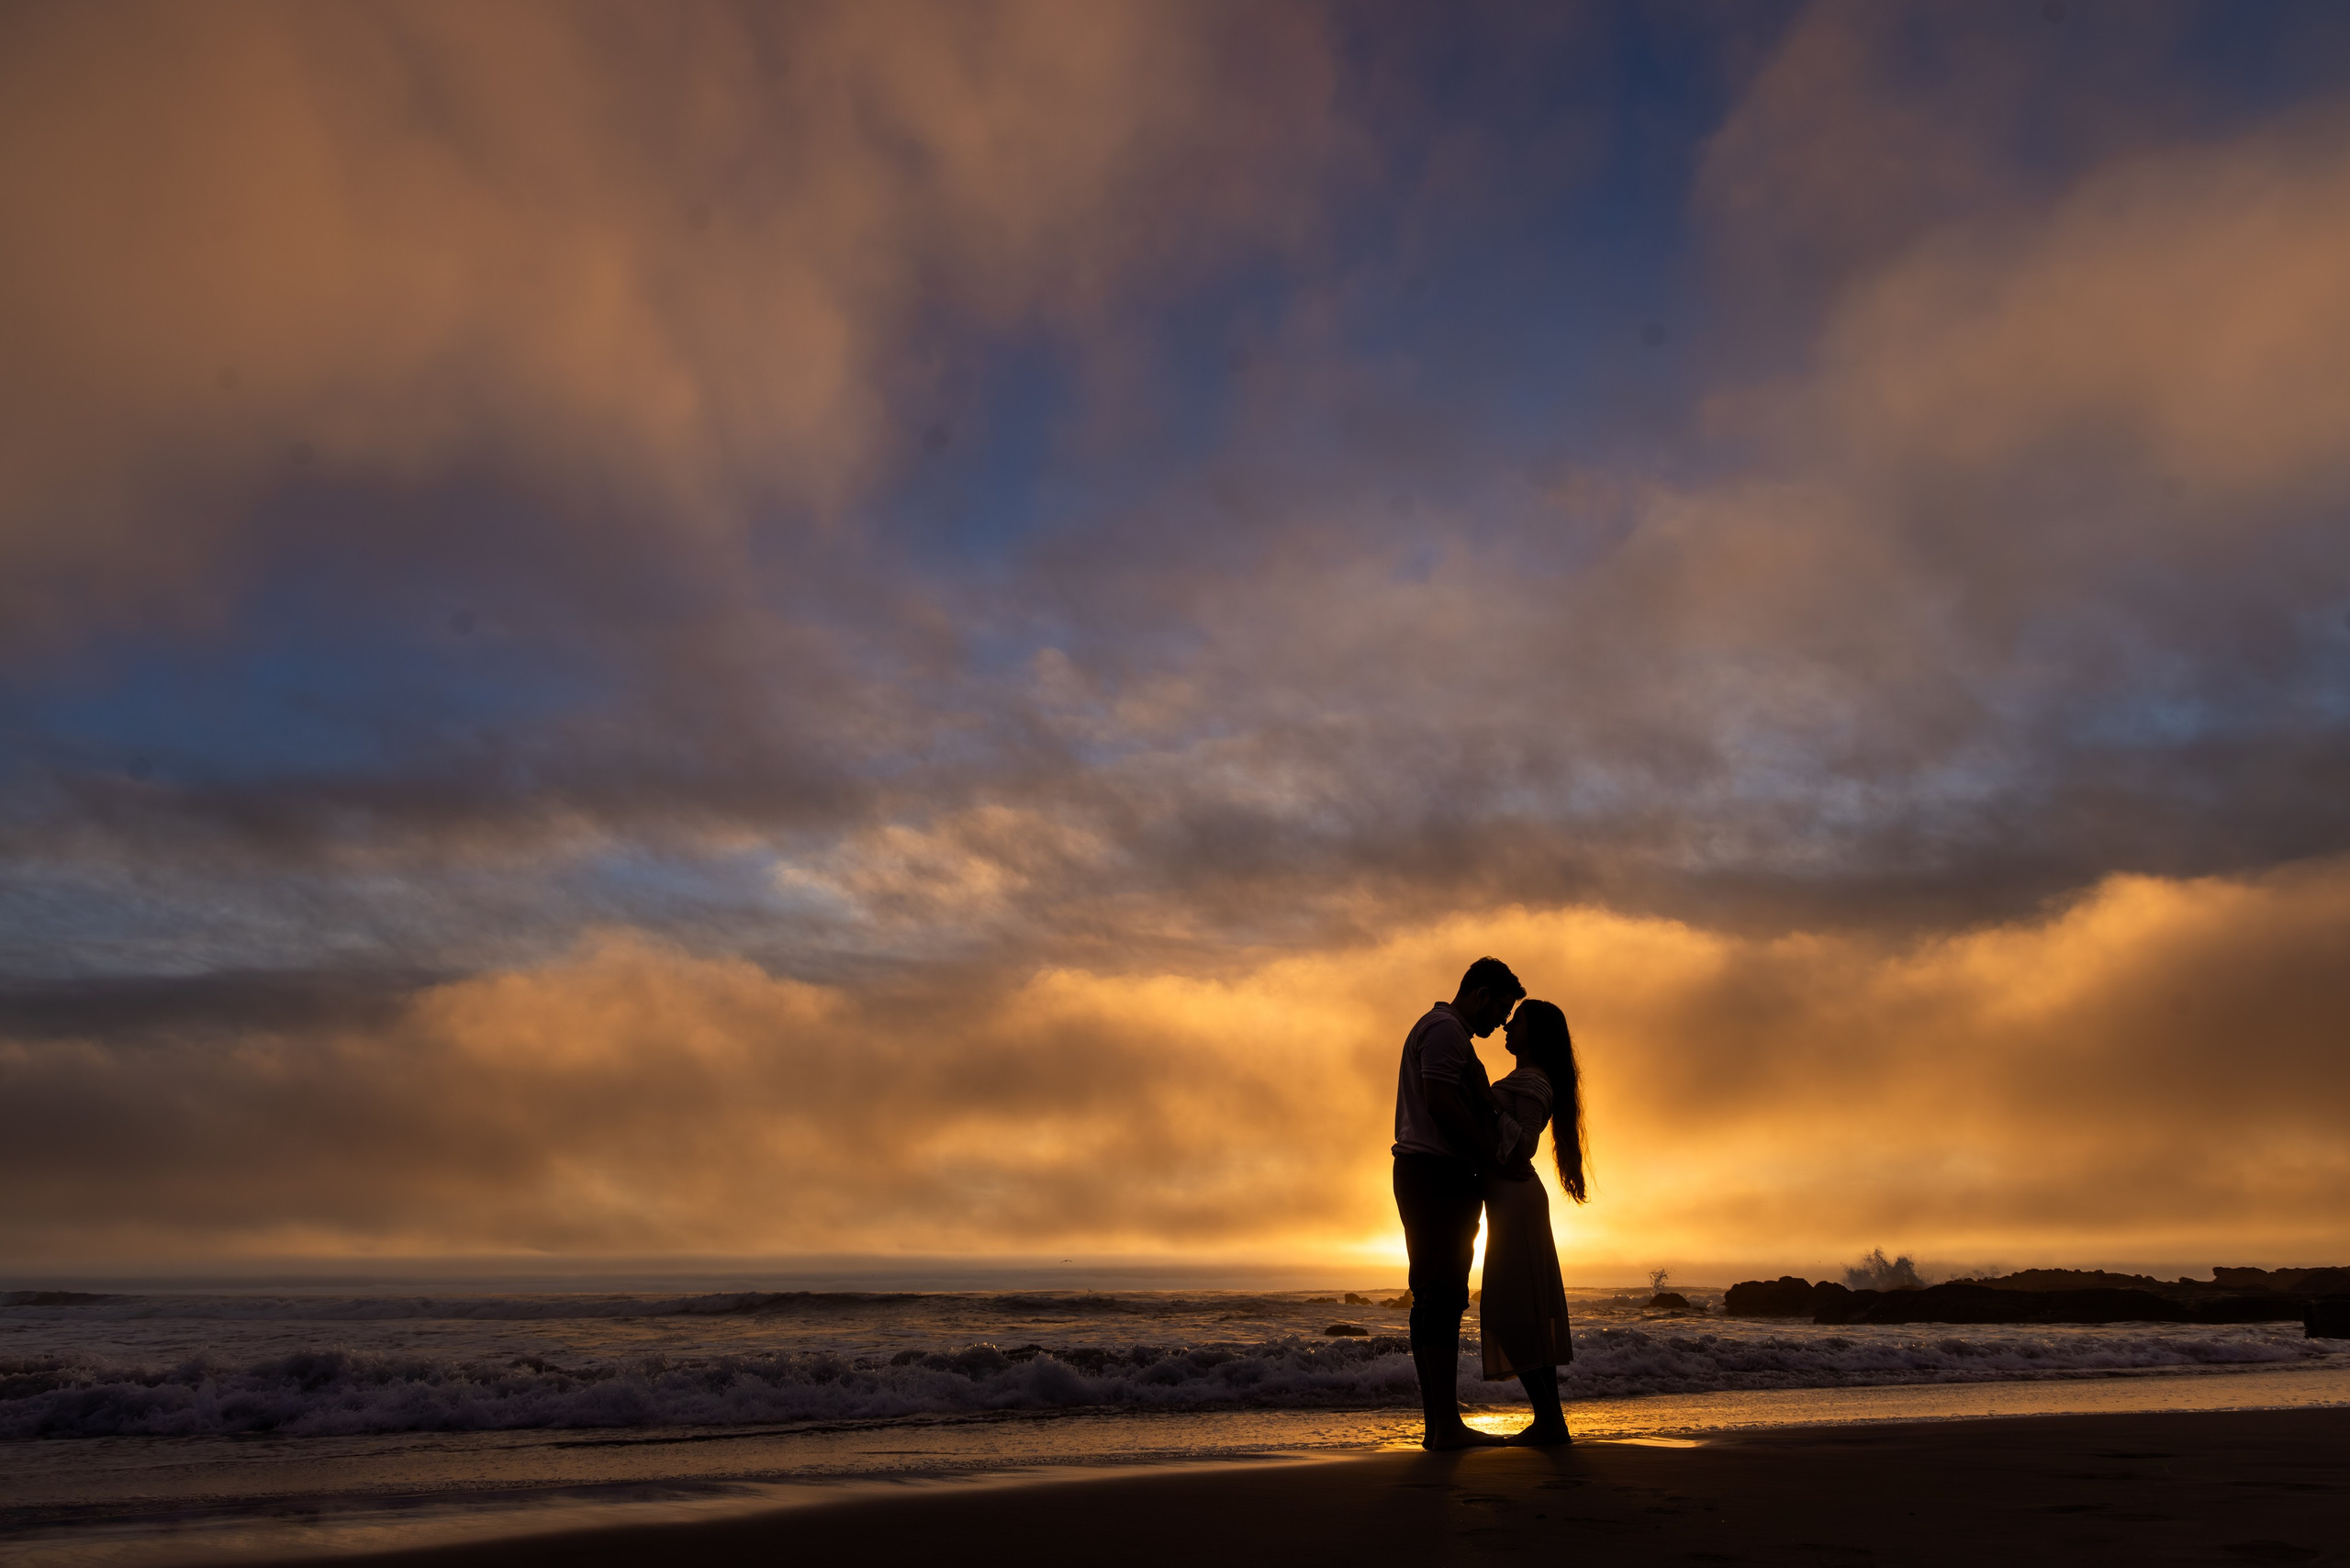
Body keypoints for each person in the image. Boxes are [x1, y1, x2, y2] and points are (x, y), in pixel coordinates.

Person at [1390, 956, 1524, 1450]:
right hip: (1435, 1172)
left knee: (1435, 1295)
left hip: (1430, 1171)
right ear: (1482, 994)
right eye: (1502, 1009)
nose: (1502, 1022)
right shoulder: (1446, 1030)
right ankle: (1443, 1425)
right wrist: (1487, 1152)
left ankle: (1439, 1423)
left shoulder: (1443, 1030)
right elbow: (1440, 1100)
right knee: (1441, 1296)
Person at [1477, 998, 1587, 1445]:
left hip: (1517, 1201)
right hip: (1509, 1202)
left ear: (1535, 1034)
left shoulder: (1535, 1081)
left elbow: (1523, 1144)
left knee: (1512, 1310)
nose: (1506, 1025)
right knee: (1520, 1308)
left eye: (1516, 1020)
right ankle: (1550, 1421)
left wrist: (1486, 1099)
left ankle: (1550, 1420)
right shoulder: (1532, 1079)